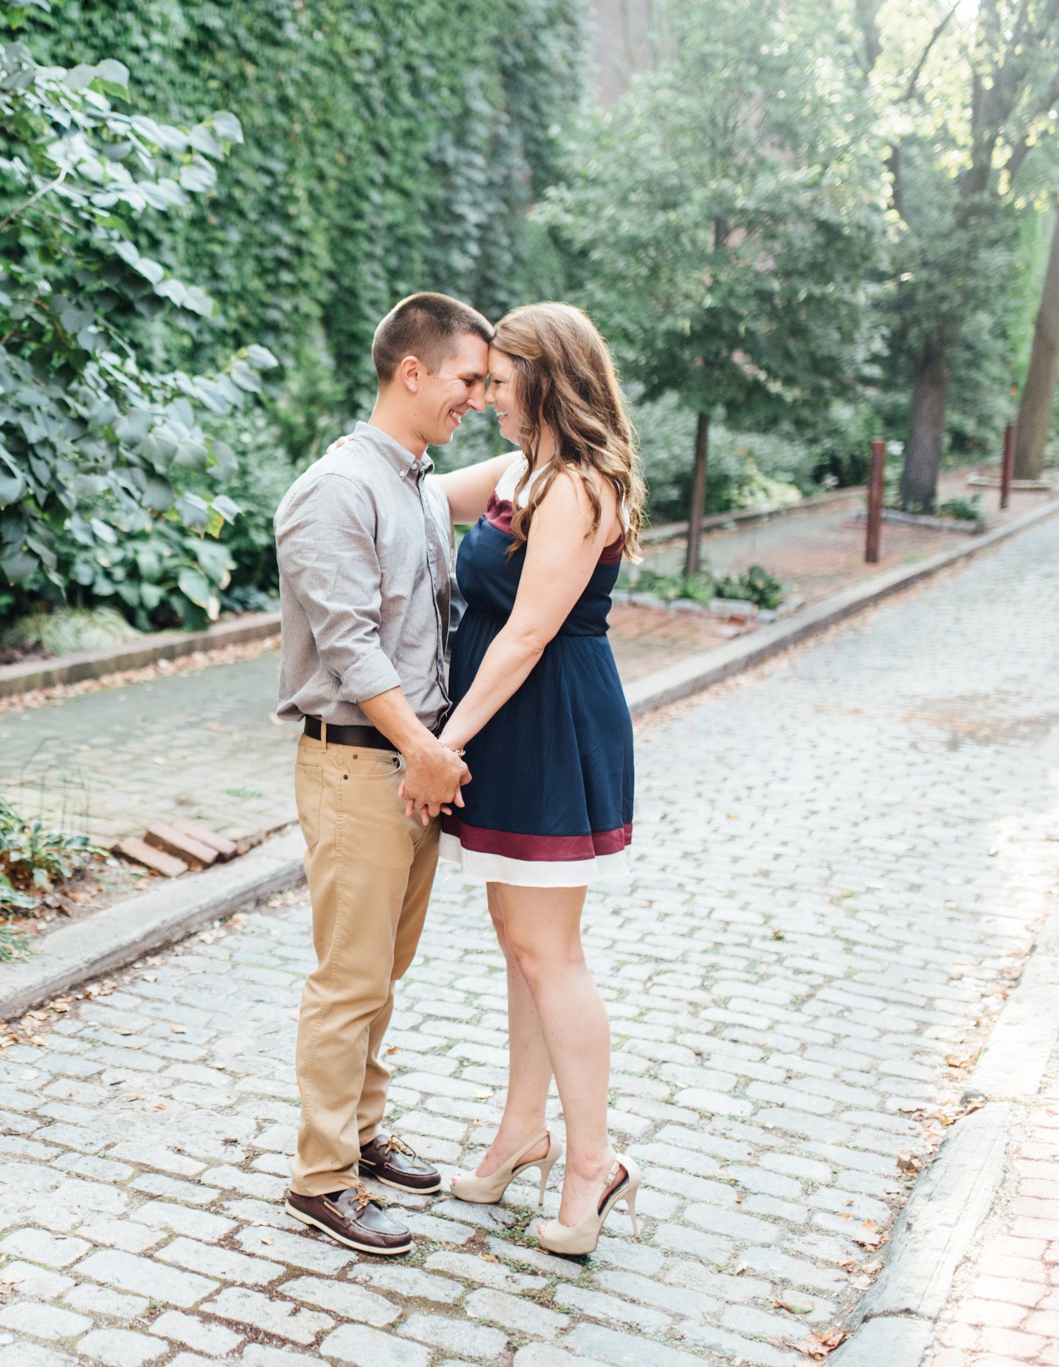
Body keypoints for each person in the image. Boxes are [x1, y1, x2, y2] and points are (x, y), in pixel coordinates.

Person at [272, 292, 526, 1254]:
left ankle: (364, 1134)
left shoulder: (416, 481)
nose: (477, 396)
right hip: (361, 766)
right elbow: (348, 646)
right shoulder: (337, 490)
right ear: (410, 371)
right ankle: (321, 1177)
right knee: (348, 979)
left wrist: (555, 417)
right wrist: (423, 750)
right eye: (469, 379)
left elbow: (509, 466)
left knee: (385, 970)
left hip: (415, 767)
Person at [436, 302, 645, 1255]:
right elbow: (424, 490)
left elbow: (527, 632)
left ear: (544, 374)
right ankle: (523, 1131)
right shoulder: (524, 470)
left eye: (498, 376)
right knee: (517, 934)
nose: (483, 394)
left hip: (546, 720)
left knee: (548, 946)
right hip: (513, 721)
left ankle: (593, 1160)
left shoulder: (578, 485)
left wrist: (442, 742)